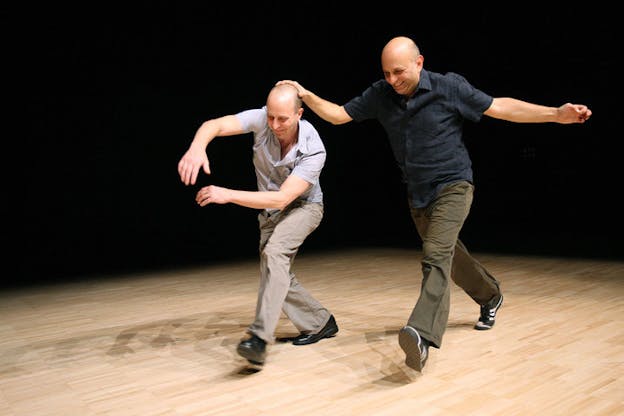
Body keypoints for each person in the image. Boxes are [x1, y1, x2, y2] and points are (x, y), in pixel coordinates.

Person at [277, 36, 592, 372]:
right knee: (451, 256)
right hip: (418, 194)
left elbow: (500, 106)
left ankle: (421, 335)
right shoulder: (381, 94)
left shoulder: (448, 87)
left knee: (435, 257)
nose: (392, 80)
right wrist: (306, 95)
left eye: (398, 72)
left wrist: (555, 115)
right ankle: (491, 296)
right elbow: (339, 115)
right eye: (386, 73)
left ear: (419, 63)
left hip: (454, 186)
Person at [177, 84, 339, 366]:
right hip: (269, 211)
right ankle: (319, 321)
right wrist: (196, 147)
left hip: (304, 207)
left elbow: (283, 198)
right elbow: (213, 125)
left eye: (283, 119)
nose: (274, 125)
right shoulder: (262, 118)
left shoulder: (314, 149)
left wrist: (226, 194)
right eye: (271, 117)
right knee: (274, 269)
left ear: (299, 114)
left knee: (275, 254)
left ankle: (259, 338)